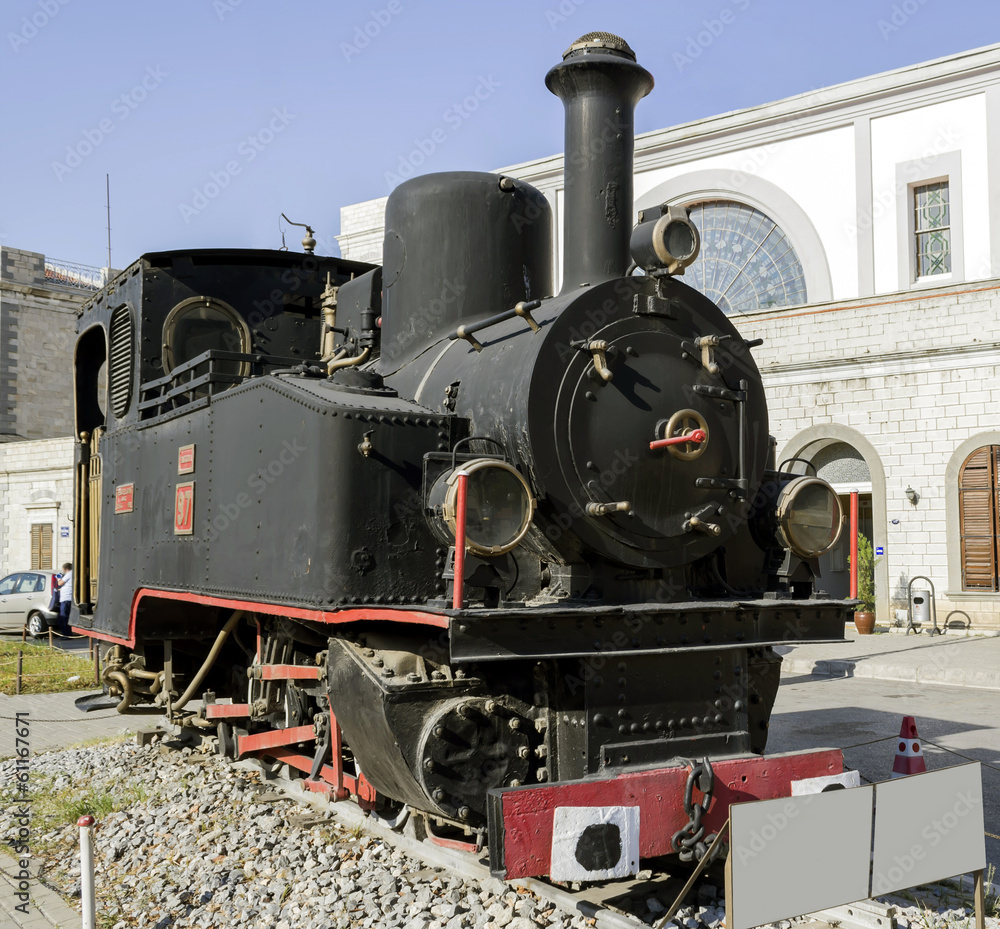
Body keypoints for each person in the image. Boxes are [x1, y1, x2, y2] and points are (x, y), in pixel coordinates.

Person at [55, 563, 73, 635]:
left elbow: (60, 583)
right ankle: (67, 633)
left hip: (66, 598)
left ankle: (66, 634)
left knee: (64, 617)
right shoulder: (72, 574)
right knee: (64, 617)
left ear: (66, 569)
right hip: (68, 597)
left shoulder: (69, 574)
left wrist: (58, 579)